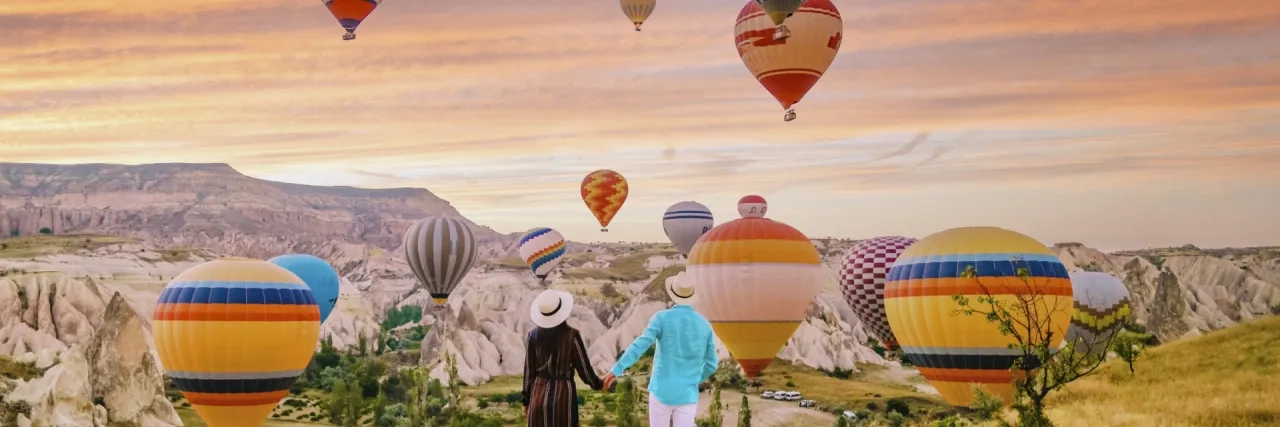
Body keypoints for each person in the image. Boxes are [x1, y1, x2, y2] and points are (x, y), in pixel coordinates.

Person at [603, 275, 717, 427]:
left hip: (661, 391)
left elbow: (639, 346)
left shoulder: (661, 318)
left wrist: (616, 370)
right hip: (687, 395)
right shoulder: (704, 325)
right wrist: (694, 379)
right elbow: (711, 364)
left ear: (673, 294)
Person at [522, 289, 607, 427]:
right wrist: (599, 384)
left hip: (537, 395)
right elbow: (584, 369)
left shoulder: (533, 336)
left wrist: (525, 401)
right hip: (562, 398)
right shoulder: (571, 336)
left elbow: (529, 372)